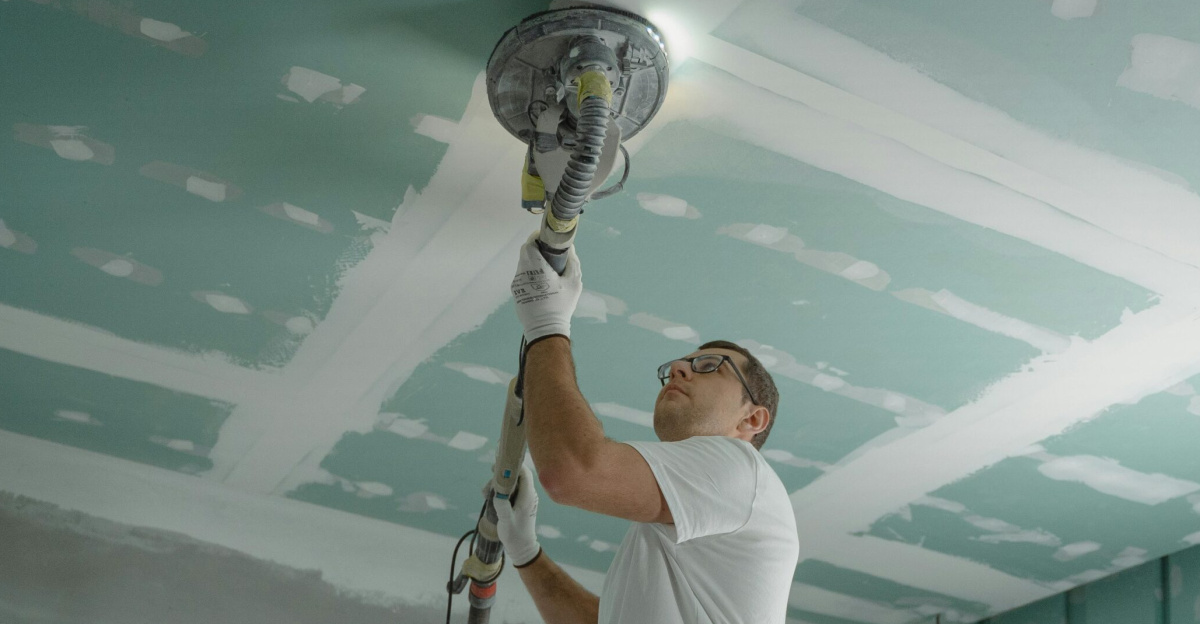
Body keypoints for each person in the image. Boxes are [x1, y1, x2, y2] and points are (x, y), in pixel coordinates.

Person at [494, 232, 800, 623]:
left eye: (709, 365)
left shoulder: (740, 469)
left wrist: (546, 324)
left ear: (752, 419)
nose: (678, 367)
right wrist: (526, 553)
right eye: (679, 365)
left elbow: (572, 473)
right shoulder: (684, 529)